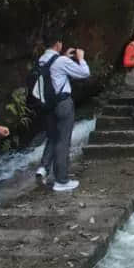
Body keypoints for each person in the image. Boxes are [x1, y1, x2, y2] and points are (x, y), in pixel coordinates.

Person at [34, 30, 90, 192]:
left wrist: (64, 56)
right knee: (63, 141)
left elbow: (53, 73)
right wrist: (81, 59)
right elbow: (84, 73)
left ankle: (43, 168)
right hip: (63, 104)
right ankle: (61, 180)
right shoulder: (61, 61)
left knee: (53, 137)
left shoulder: (42, 59)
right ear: (58, 43)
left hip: (48, 106)